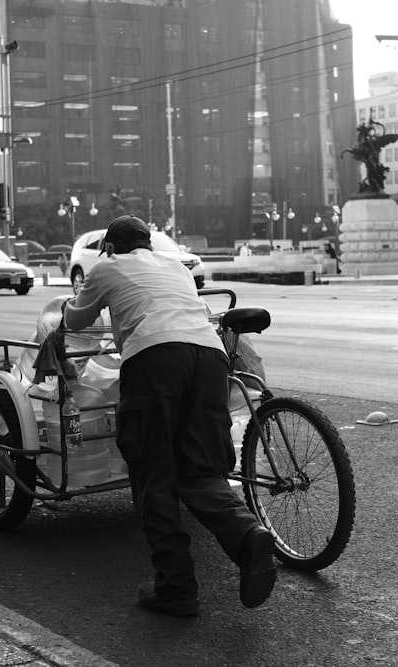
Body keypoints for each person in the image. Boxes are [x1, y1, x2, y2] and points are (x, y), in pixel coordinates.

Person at [62, 215, 276, 617]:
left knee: (154, 472)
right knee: (200, 470)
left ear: (109, 247)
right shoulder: (175, 266)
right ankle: (248, 534)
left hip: (155, 359)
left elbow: (76, 320)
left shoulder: (106, 267)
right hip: (209, 359)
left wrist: (67, 310)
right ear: (148, 244)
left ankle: (176, 586)